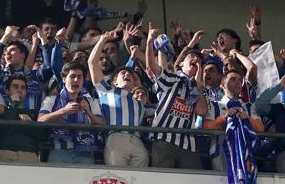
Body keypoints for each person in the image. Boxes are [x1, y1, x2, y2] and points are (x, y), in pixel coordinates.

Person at [146, 23, 208, 169]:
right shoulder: (171, 79)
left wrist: (199, 86)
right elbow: (153, 67)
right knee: (163, 181)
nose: (196, 61)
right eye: (192, 57)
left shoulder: (199, 89)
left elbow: (201, 111)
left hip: (188, 145)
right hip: (163, 139)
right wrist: (149, 42)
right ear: (181, 65)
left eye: (200, 61)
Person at [88, 31, 147, 167]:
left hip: (138, 142)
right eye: (123, 74)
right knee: (117, 179)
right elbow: (91, 63)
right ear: (114, 82)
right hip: (116, 139)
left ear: (134, 82)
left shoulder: (139, 99)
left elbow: (128, 69)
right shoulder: (106, 91)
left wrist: (133, 56)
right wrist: (102, 39)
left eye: (130, 75)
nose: (127, 74)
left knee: (141, 181)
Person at [38, 62, 104, 164]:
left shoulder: (92, 101)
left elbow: (102, 124)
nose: (76, 80)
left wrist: (89, 113)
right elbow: (41, 119)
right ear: (64, 79)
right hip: (58, 150)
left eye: (80, 77)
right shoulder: (51, 99)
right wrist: (64, 111)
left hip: (86, 152)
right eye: (72, 76)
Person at [203, 70, 264, 171]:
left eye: (240, 80)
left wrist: (247, 119)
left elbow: (261, 129)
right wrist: (224, 118)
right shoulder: (214, 105)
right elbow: (206, 127)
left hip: (246, 153)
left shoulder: (249, 106)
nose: (238, 82)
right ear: (223, 85)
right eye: (233, 79)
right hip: (221, 152)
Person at [0, 75, 45, 162]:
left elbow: (41, 136)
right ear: (7, 91)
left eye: (23, 88)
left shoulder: (34, 113)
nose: (19, 90)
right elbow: (3, 127)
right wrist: (14, 103)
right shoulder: (1, 110)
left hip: (29, 154)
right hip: (6, 153)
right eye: (15, 87)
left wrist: (29, 123)